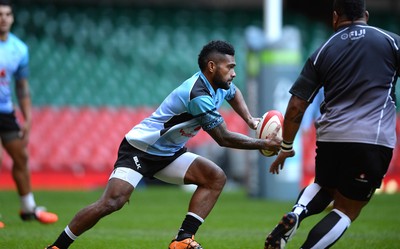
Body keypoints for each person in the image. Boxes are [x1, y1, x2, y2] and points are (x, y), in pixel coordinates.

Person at [45, 40, 282, 249]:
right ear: (212, 67)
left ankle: (183, 240)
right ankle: (57, 247)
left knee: (215, 178)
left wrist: (250, 119)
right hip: (140, 149)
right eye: (229, 67)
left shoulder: (219, 85)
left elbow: (234, 92)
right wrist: (264, 143)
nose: (233, 73)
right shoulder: (197, 94)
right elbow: (223, 138)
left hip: (169, 153)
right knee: (112, 202)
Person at [264, 0, 400, 248]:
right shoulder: (391, 41)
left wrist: (286, 146)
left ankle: (298, 212)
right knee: (347, 209)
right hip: (372, 138)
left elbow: (296, 105)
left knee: (324, 186)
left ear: (335, 17)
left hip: (330, 137)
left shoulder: (322, 51)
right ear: (366, 15)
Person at [0, 0, 58, 228]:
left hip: (5, 111)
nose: (2, 18)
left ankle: (28, 208)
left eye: (6, 14)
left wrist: (27, 116)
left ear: (12, 18)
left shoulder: (19, 49)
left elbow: (21, 86)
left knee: (21, 157)